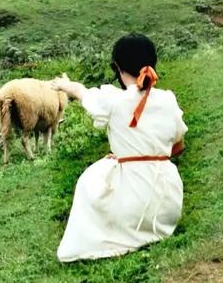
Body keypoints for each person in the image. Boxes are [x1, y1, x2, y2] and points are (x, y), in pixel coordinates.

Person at [50, 33, 187, 262]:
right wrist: (145, 154)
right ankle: (152, 229)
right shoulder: (168, 99)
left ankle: (110, 234)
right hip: (168, 207)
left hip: (134, 203)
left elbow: (82, 93)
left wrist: (64, 84)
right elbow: (178, 147)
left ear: (117, 68)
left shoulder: (112, 100)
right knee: (114, 165)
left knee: (91, 178)